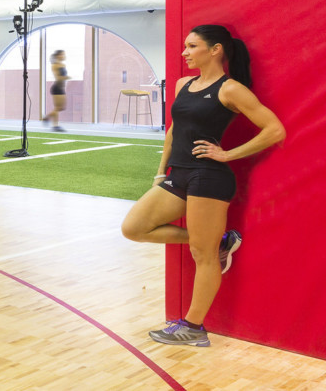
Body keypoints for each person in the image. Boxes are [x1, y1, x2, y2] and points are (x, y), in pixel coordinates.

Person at [120, 25, 284, 347]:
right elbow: (173, 130)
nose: (185, 53)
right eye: (185, 46)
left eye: (192, 46)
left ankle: (193, 327)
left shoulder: (231, 89)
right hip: (177, 174)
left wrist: (227, 154)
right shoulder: (184, 83)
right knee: (134, 227)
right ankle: (222, 242)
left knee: (202, 254)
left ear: (215, 50)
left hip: (208, 177)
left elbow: (274, 130)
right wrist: (159, 171)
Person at [42, 50, 68, 132]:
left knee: (62, 107)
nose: (63, 56)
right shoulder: (55, 65)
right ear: (57, 56)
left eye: (64, 54)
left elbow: (63, 77)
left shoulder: (63, 65)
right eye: (62, 54)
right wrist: (66, 78)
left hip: (61, 88)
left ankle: (46, 117)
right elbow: (58, 77)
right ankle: (55, 125)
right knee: (57, 107)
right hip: (57, 87)